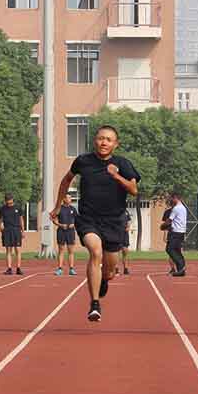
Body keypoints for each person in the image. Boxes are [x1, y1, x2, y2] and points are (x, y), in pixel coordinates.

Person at [51, 125, 140, 322]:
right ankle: (94, 304)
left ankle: (105, 279)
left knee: (109, 269)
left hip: (114, 221)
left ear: (115, 144)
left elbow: (134, 190)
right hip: (88, 219)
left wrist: (116, 175)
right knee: (95, 251)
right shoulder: (83, 161)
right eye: (101, 138)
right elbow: (66, 181)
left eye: (108, 139)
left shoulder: (123, 164)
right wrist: (58, 206)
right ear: (95, 141)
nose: (104, 142)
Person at [0, 194, 25, 275]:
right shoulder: (2, 209)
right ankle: (9, 268)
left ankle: (18, 268)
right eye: (7, 201)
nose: (9, 203)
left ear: (12, 199)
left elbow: (21, 220)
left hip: (16, 230)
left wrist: (23, 231)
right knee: (8, 250)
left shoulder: (18, 208)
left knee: (18, 249)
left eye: (10, 201)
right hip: (7, 230)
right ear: (5, 201)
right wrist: (1, 229)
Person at [55, 193, 78, 276]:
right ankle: (59, 269)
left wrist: (74, 224)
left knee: (71, 251)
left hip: (70, 232)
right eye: (68, 198)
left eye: (70, 198)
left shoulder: (73, 209)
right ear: (64, 199)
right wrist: (60, 225)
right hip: (61, 231)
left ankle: (71, 269)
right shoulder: (59, 208)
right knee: (61, 250)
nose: (70, 199)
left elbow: (77, 220)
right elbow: (54, 219)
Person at [165, 192, 187, 276]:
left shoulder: (176, 208)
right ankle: (180, 269)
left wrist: (163, 226)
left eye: (172, 198)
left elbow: (169, 220)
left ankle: (181, 267)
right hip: (181, 232)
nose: (171, 200)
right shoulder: (183, 208)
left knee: (169, 249)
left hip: (175, 232)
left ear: (175, 198)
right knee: (177, 250)